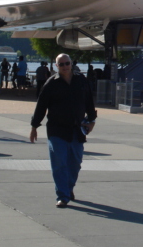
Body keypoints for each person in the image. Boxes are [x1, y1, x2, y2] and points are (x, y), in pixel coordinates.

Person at [29, 53, 97, 208]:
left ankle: (68, 187)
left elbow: (89, 102)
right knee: (59, 162)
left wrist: (92, 120)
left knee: (75, 163)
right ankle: (62, 195)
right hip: (56, 130)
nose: (65, 67)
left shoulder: (81, 81)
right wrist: (34, 126)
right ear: (56, 66)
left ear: (71, 64)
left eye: (67, 63)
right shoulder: (51, 84)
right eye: (61, 64)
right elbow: (41, 106)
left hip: (76, 129)